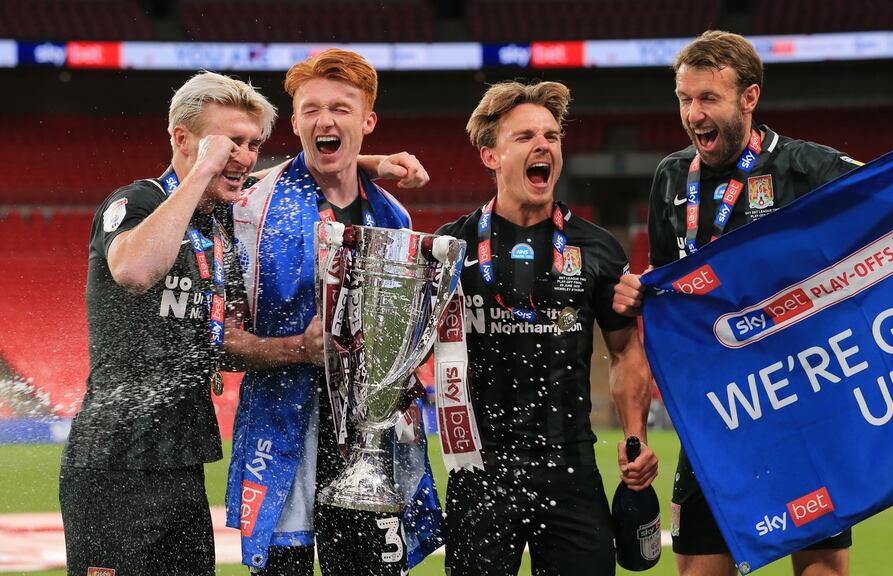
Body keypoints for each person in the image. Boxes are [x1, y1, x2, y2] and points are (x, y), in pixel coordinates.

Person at [612, 30, 893, 576]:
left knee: (822, 572)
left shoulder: (807, 168)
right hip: (722, 418)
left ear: (749, 98)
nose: (692, 114)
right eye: (684, 99)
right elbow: (665, 289)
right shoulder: (671, 178)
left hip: (805, 409)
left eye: (707, 98)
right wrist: (640, 291)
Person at [223, 48, 440, 575]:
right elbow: (216, 338)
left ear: (368, 121)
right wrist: (300, 348)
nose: (325, 120)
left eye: (341, 109)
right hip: (281, 432)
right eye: (311, 109)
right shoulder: (250, 207)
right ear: (295, 122)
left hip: (371, 439)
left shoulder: (393, 216)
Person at [436, 80, 658, 576]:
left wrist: (636, 436)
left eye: (551, 136)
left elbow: (625, 351)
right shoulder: (451, 247)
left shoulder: (597, 248)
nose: (543, 145)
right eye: (525, 137)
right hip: (479, 470)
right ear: (491, 156)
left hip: (570, 467)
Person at [59, 71, 277, 576]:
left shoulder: (218, 224)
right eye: (230, 143)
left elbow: (282, 177)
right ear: (182, 139)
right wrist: (203, 171)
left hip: (183, 463)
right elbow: (135, 271)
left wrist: (368, 162)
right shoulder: (137, 201)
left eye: (252, 145)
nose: (244, 157)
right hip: (114, 467)